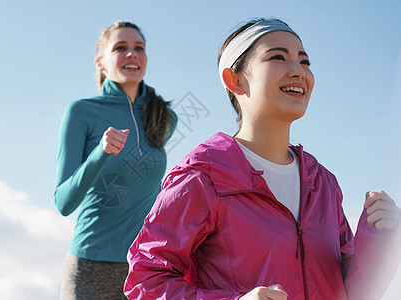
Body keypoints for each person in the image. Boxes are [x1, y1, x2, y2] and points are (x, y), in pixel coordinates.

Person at [124, 18, 401, 299]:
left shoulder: (323, 183)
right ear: (235, 80)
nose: (298, 71)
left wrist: (380, 240)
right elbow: (145, 282)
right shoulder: (202, 177)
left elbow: (352, 292)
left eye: (305, 62)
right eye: (278, 57)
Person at [54, 21, 177, 300]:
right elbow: (63, 202)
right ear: (100, 63)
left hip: (144, 267)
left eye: (139, 48)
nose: (131, 54)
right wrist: (101, 153)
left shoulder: (164, 118)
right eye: (120, 48)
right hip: (90, 266)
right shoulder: (81, 112)